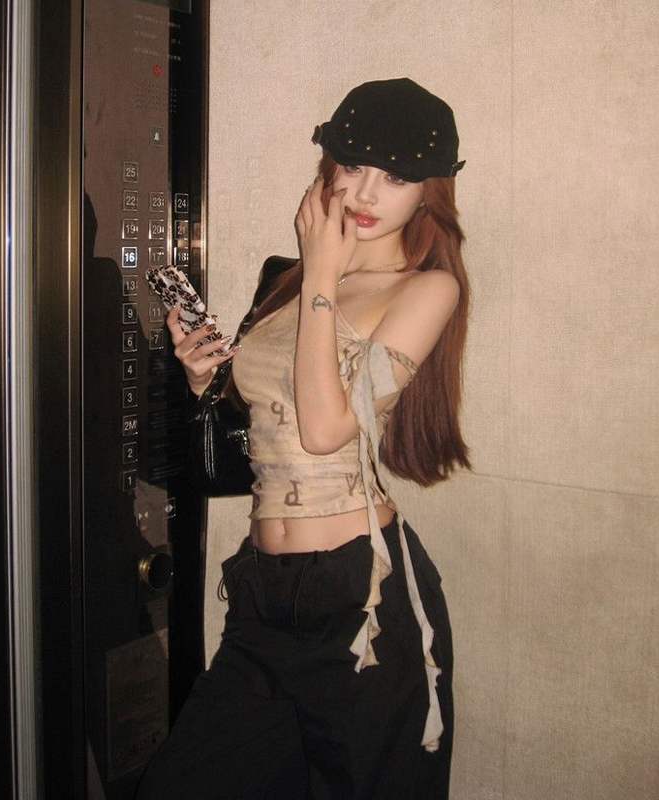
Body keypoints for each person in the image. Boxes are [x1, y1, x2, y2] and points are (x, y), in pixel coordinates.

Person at [137, 77, 470, 800]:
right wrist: (202, 381)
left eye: (396, 177)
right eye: (353, 165)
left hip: (361, 603)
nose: (366, 192)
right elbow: (265, 429)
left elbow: (324, 431)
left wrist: (321, 270)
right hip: (265, 592)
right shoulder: (286, 283)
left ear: (430, 193)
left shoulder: (426, 289)